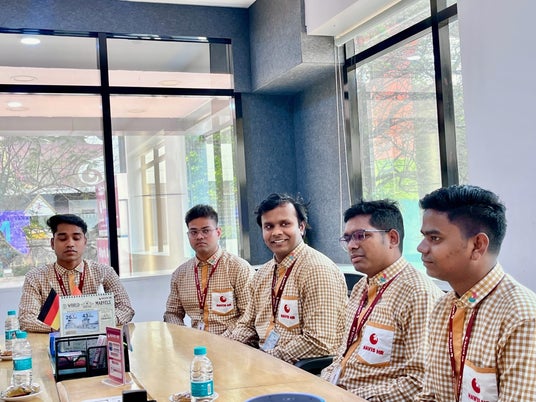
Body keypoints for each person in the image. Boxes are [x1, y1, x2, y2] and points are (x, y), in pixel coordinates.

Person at [416, 185, 536, 401]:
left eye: (434, 238)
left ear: (477, 245)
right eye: (424, 237)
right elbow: (430, 396)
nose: (421, 248)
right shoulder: (444, 307)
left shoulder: (521, 318)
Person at [320, 200, 443, 401]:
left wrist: (348, 397)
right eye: (347, 238)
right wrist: (322, 385)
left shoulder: (417, 294)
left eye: (361, 235)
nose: (351, 245)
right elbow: (343, 356)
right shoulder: (362, 286)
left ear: (392, 238)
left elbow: (419, 383)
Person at [226, 193, 348, 364]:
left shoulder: (317, 270)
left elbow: (319, 342)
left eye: (285, 224)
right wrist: (227, 348)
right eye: (269, 226)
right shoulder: (263, 273)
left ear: (301, 227)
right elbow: (247, 325)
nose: (276, 232)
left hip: (302, 370)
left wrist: (266, 359)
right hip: (267, 362)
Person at [19, 214, 135, 332]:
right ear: (52, 243)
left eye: (76, 238)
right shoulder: (35, 277)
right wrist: (68, 327)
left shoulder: (105, 272)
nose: (70, 244)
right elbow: (26, 319)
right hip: (55, 340)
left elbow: (125, 309)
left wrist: (97, 323)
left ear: (85, 242)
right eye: (63, 239)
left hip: (98, 339)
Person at [164, 204, 254, 335]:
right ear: (188, 235)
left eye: (205, 231)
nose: (199, 236)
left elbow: (248, 316)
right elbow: (172, 313)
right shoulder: (180, 274)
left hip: (233, 342)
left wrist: (220, 341)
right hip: (195, 343)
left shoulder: (239, 268)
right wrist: (185, 336)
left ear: (218, 232)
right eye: (194, 232)